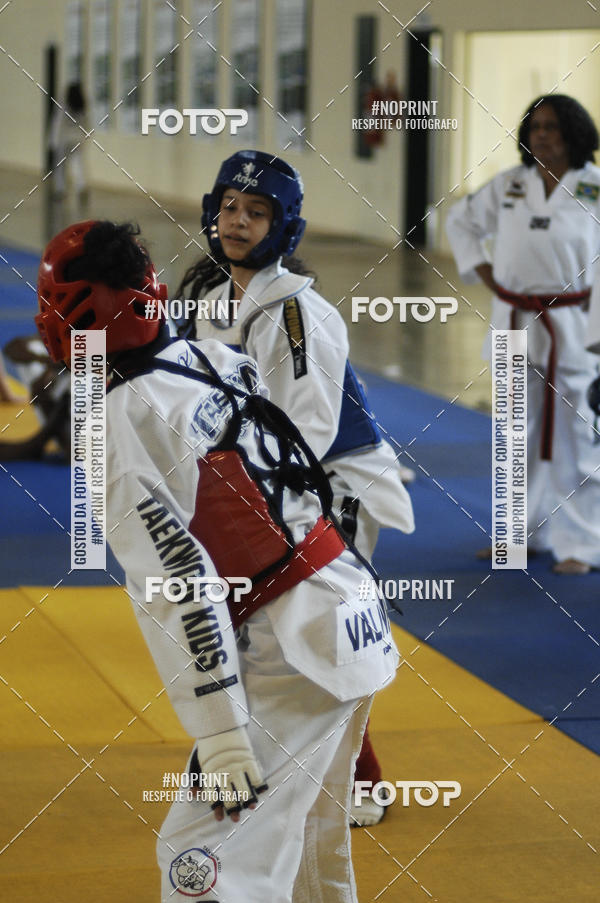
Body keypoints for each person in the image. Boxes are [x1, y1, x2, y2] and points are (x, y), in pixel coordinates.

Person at [34, 218, 399, 902]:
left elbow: (181, 581)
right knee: (309, 843)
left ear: (76, 317)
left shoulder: (117, 422)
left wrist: (222, 733)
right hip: (348, 608)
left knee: (202, 858)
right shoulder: (208, 358)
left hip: (296, 645)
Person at [176, 149, 415, 824]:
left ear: (283, 227)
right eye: (229, 206)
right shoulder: (213, 305)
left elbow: (298, 434)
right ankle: (269, 762)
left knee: (325, 631)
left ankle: (359, 779)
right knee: (270, 634)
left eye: (256, 212)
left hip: (334, 481)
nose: (238, 222)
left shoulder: (296, 315)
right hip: (260, 483)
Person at [446, 94, 600, 575]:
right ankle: (515, 537)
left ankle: (580, 543)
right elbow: (460, 222)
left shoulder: (594, 189)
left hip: (574, 325)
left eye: (551, 126)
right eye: (534, 127)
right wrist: (485, 273)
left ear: (574, 134)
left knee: (576, 436)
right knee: (514, 435)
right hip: (513, 319)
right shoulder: (510, 185)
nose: (541, 135)